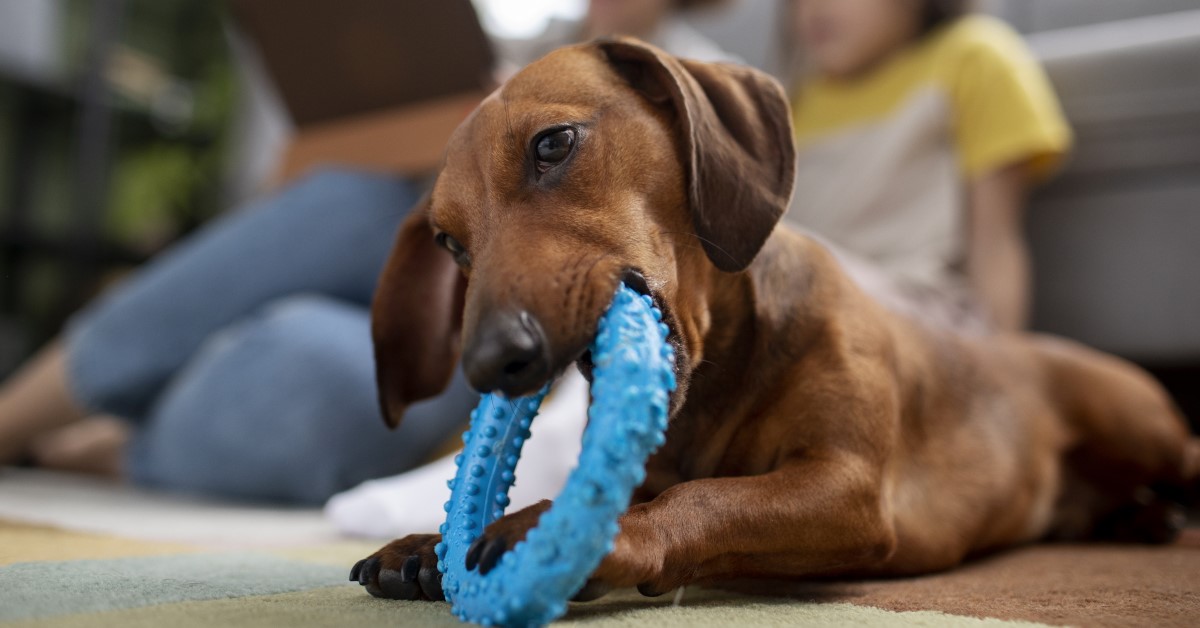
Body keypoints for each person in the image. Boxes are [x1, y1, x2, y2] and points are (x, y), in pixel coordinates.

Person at [0, 0, 733, 507]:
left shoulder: (701, 88)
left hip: (493, 328)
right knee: (348, 197)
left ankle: (119, 445)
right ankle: (19, 418)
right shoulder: (516, 61)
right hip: (409, 253)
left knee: (316, 361)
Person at [784, 0, 1071, 332]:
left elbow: (996, 245)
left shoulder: (970, 58)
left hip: (925, 316)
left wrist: (1004, 365)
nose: (814, 7)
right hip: (814, 305)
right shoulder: (795, 101)